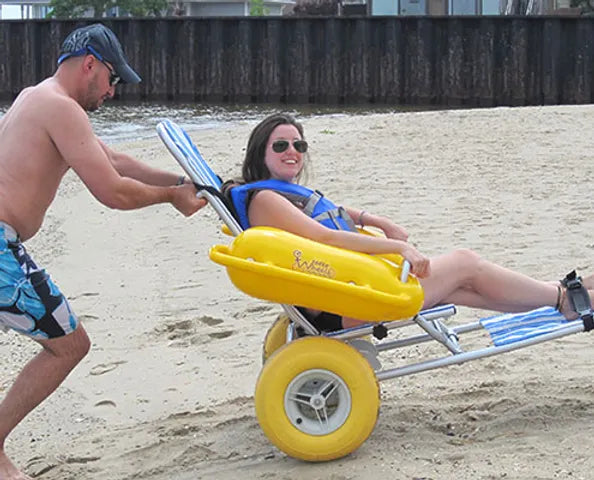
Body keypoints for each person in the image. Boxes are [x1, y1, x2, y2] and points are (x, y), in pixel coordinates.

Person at [0, 24, 205, 480]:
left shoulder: (36, 98)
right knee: (69, 346)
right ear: (90, 64)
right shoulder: (61, 108)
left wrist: (177, 181)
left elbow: (114, 161)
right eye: (113, 78)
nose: (113, 91)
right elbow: (112, 191)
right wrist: (172, 200)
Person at [223, 113, 594, 332]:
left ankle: (554, 295)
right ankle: (562, 297)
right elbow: (327, 238)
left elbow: (332, 214)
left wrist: (376, 219)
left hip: (342, 291)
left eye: (298, 146)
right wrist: (399, 246)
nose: (292, 153)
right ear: (260, 152)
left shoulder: (279, 194)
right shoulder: (267, 200)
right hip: (339, 304)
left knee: (459, 286)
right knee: (464, 262)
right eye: (281, 146)